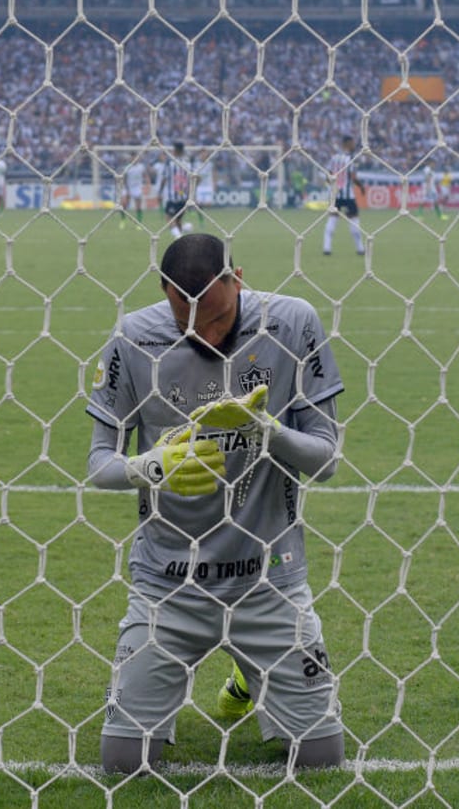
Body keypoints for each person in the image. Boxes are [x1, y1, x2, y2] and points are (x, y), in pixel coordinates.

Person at [87, 233, 346, 775]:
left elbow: (326, 460)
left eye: (220, 318)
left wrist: (267, 431)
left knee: (323, 760)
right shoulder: (133, 340)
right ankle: (242, 671)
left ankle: (247, 675)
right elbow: (98, 464)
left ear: (239, 279)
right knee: (121, 761)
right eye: (190, 322)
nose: (208, 334)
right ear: (164, 294)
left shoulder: (293, 324)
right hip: (167, 584)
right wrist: (148, 467)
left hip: (269, 580)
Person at [323, 135, 365, 257]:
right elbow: (353, 177)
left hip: (335, 195)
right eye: (352, 143)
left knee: (332, 219)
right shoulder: (350, 158)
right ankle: (360, 248)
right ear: (347, 144)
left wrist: (331, 187)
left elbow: (328, 175)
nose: (354, 145)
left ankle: (327, 247)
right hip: (348, 196)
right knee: (354, 221)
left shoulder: (334, 158)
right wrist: (361, 186)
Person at [160, 142, 192, 238]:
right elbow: (195, 178)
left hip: (173, 197)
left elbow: (164, 178)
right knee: (178, 221)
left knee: (169, 218)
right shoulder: (188, 163)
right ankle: (184, 234)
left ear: (175, 150)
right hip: (184, 197)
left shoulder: (170, 163)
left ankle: (178, 237)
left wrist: (160, 191)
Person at [121, 158, 146, 228]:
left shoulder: (141, 167)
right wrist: (127, 189)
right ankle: (123, 220)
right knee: (124, 204)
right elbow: (124, 178)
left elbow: (145, 175)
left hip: (137, 188)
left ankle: (139, 223)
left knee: (138, 206)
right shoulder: (127, 167)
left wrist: (147, 183)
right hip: (128, 187)